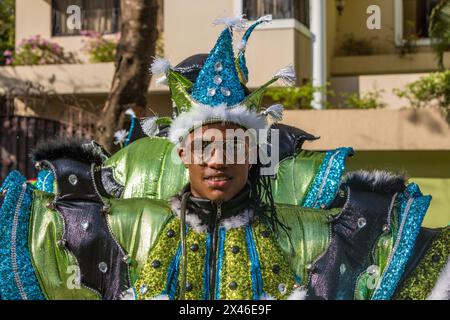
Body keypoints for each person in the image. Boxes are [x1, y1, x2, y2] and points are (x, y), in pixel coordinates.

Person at [0, 15, 448, 300]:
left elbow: (406, 256)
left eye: (235, 147)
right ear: (181, 152)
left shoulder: (303, 234)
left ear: (254, 153)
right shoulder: (132, 226)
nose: (218, 161)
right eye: (204, 147)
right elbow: (50, 235)